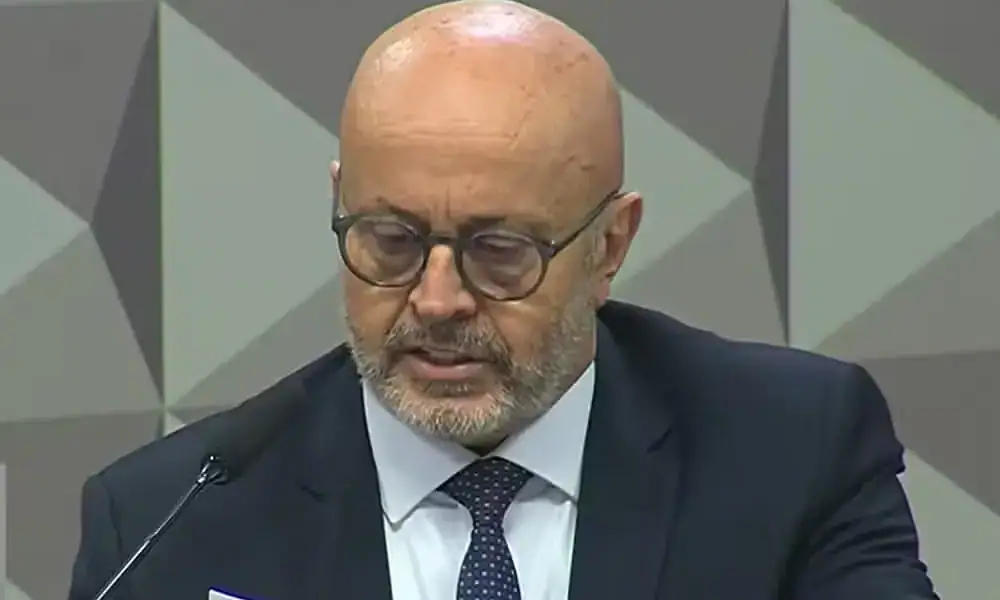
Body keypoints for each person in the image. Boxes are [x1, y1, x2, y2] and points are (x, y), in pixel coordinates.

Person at [68, 1, 939, 599]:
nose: (437, 299)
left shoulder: (792, 451)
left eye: (499, 251)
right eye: (391, 240)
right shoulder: (169, 521)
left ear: (609, 246)